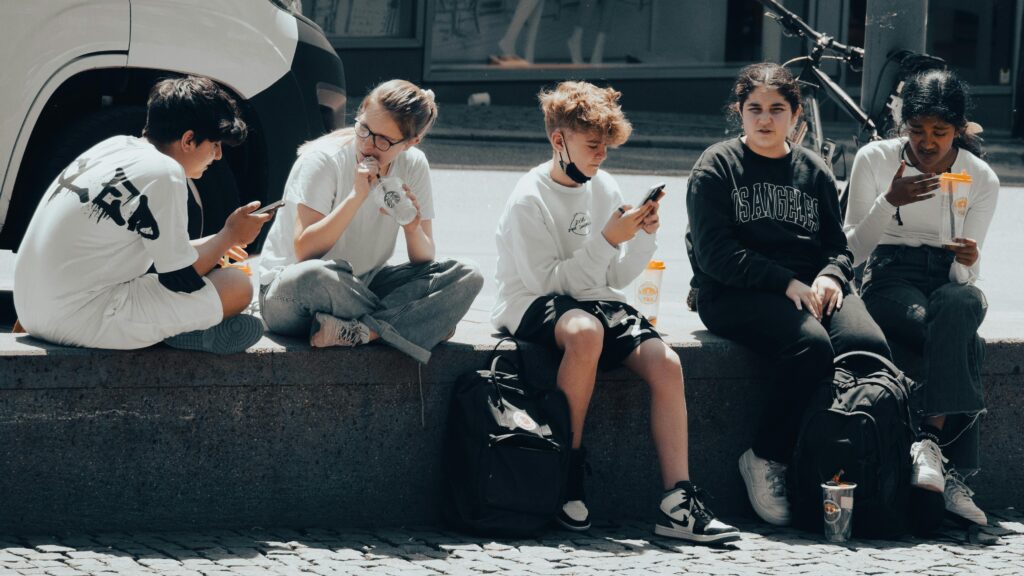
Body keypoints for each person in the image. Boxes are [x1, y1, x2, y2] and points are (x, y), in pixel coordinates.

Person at [492, 80, 739, 544]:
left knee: (666, 362)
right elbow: (548, 283)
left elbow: (619, 278)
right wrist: (607, 239)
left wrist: (642, 233)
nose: (601, 156)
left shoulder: (603, 185)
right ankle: (567, 473)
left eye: (606, 146)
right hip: (529, 300)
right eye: (592, 145)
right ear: (558, 139)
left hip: (594, 299)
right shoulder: (529, 197)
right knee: (585, 332)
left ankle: (677, 500)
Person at [685, 63, 891, 526]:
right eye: (754, 108)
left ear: (796, 115)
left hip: (809, 286)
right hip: (734, 291)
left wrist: (833, 277)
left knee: (869, 346)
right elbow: (715, 255)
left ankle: (837, 460)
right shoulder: (716, 166)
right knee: (809, 345)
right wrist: (785, 282)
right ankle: (765, 456)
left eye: (777, 109)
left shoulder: (813, 169)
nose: (764, 118)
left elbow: (837, 247)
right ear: (739, 112)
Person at [14, 75, 270, 354]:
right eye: (215, 144)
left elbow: (157, 252)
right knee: (236, 286)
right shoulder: (165, 173)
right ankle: (183, 332)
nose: (218, 156)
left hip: (31, 312)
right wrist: (229, 236)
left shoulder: (115, 147)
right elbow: (179, 277)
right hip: (81, 320)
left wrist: (220, 241)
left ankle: (181, 330)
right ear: (188, 139)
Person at [844, 69, 998, 526]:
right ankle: (953, 474)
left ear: (960, 129)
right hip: (890, 274)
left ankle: (929, 445)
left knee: (962, 305)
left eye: (940, 132)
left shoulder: (979, 177)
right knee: (966, 341)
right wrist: (889, 201)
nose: (927, 143)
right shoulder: (875, 159)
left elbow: (965, 277)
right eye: (916, 131)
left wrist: (967, 259)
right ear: (902, 125)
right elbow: (851, 250)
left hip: (946, 277)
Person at [258, 79, 483, 364]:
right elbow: (305, 251)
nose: (368, 145)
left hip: (363, 284)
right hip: (290, 293)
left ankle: (366, 332)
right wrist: (355, 197)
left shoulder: (413, 164)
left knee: (467, 274)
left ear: (410, 142)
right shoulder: (323, 160)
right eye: (364, 129)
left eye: (384, 141)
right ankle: (412, 325)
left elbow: (424, 258)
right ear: (360, 112)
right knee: (318, 275)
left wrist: (412, 226)